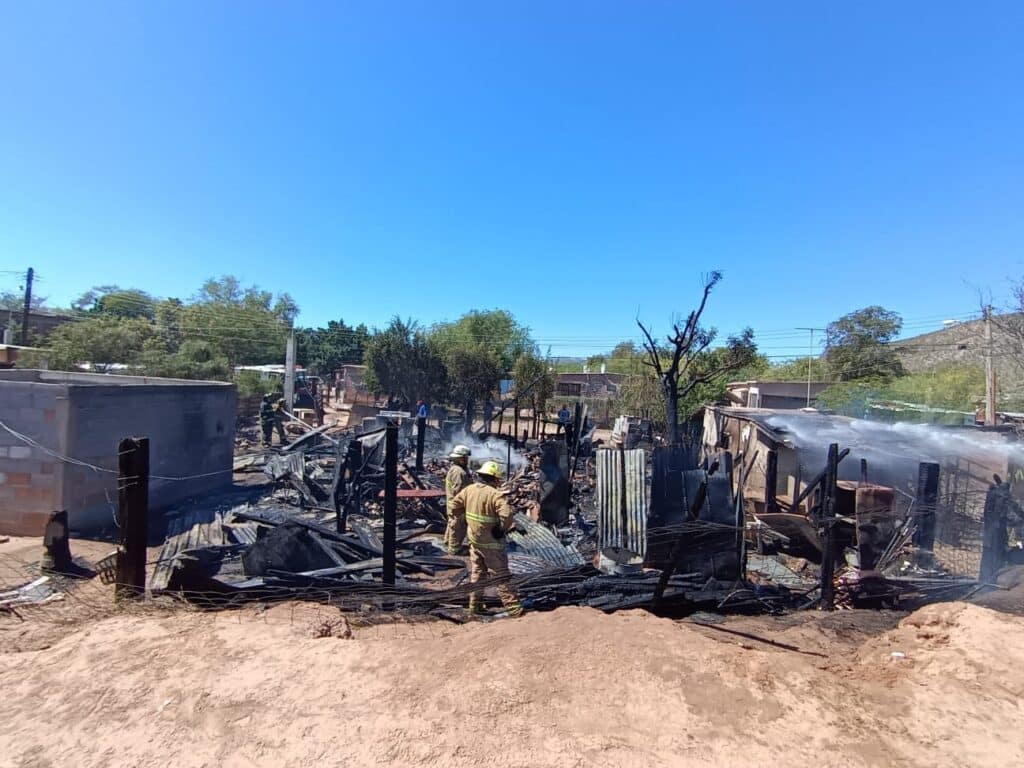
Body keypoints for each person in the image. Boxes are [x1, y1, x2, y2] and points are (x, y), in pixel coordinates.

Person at [448, 460, 523, 617]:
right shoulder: (494, 495)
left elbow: (453, 506)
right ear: (494, 479)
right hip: (492, 544)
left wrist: (465, 520)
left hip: (474, 542)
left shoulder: (469, 490)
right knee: (501, 575)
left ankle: (475, 606)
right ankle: (514, 609)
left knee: (478, 573)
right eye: (498, 479)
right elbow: (507, 515)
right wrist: (501, 529)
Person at [443, 444, 473, 554]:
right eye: (465, 458)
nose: (467, 460)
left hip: (454, 503)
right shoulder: (458, 472)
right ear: (460, 458)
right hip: (458, 504)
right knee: (458, 527)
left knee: (452, 524)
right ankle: (454, 549)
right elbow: (459, 491)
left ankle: (448, 542)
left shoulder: (457, 469)